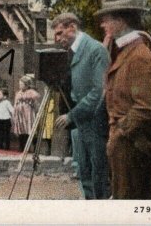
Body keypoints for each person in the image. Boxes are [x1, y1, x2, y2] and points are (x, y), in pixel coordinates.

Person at [97, 0, 151, 200]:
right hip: (128, 145)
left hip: (132, 145)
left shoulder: (138, 56)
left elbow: (145, 107)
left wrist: (120, 133)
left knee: (130, 205)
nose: (102, 24)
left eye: (107, 19)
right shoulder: (127, 52)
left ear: (122, 20)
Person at [51, 12, 110, 199]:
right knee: (84, 172)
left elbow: (98, 91)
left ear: (72, 28)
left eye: (60, 33)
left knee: (98, 174)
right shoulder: (71, 53)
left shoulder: (95, 50)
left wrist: (72, 116)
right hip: (81, 124)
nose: (57, 38)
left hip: (95, 122)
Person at [11, 74, 40, 151]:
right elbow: (15, 103)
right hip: (20, 115)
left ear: (26, 85)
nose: (20, 86)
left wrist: (26, 97)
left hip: (28, 114)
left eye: (21, 84)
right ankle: (22, 147)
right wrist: (14, 112)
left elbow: (36, 100)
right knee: (21, 130)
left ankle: (34, 148)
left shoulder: (31, 92)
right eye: (19, 84)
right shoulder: (18, 93)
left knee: (30, 129)